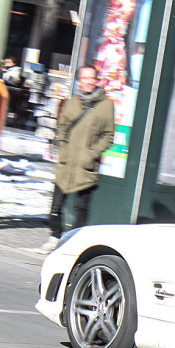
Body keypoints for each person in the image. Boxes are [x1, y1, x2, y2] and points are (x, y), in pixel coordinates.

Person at [39, 65, 115, 253]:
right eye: (85, 78)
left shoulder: (106, 105)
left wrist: (94, 153)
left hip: (85, 165)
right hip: (66, 162)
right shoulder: (73, 101)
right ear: (79, 81)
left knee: (82, 206)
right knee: (56, 204)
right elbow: (63, 125)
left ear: (97, 80)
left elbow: (108, 135)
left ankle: (74, 242)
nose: (88, 82)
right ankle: (54, 235)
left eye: (92, 78)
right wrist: (62, 144)